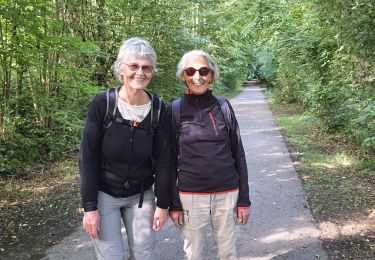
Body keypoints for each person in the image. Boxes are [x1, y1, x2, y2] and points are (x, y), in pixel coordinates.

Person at [79, 37, 171, 260]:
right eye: (134, 66)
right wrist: (89, 208)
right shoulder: (103, 104)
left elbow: (166, 161)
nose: (140, 72)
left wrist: (163, 204)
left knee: (144, 255)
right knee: (110, 256)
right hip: (105, 195)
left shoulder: (159, 109)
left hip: (141, 195)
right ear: (121, 69)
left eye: (146, 67)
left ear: (152, 72)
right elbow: (88, 158)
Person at [169, 50, 251, 260]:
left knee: (227, 252)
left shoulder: (223, 106)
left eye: (203, 70)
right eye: (191, 71)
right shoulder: (175, 110)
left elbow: (238, 153)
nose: (198, 76)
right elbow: (168, 161)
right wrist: (174, 203)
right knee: (193, 254)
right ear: (183, 77)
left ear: (211, 75)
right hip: (190, 195)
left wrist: (244, 200)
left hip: (227, 192)